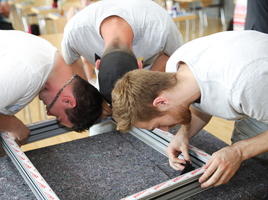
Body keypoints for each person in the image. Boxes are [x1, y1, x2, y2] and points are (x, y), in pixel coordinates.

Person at [111, 30, 268, 188]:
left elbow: (225, 89)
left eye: (158, 125)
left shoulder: (242, 86)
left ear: (161, 102)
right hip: (256, 95)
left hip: (257, 85)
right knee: (249, 167)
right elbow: (208, 97)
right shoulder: (176, 67)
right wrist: (183, 134)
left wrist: (239, 152)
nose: (165, 129)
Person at [0, 30, 103, 164]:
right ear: (68, 101)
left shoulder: (50, 62)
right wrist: (11, 124)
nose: (48, 112)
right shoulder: (25, 72)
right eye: (57, 116)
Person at [61, 0, 183, 134]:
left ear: (139, 65)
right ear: (98, 64)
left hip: (150, 71)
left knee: (151, 123)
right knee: (99, 128)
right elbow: (71, 61)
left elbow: (173, 55)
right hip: (109, 72)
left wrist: (145, 87)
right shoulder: (74, 32)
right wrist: (93, 99)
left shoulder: (161, 26)